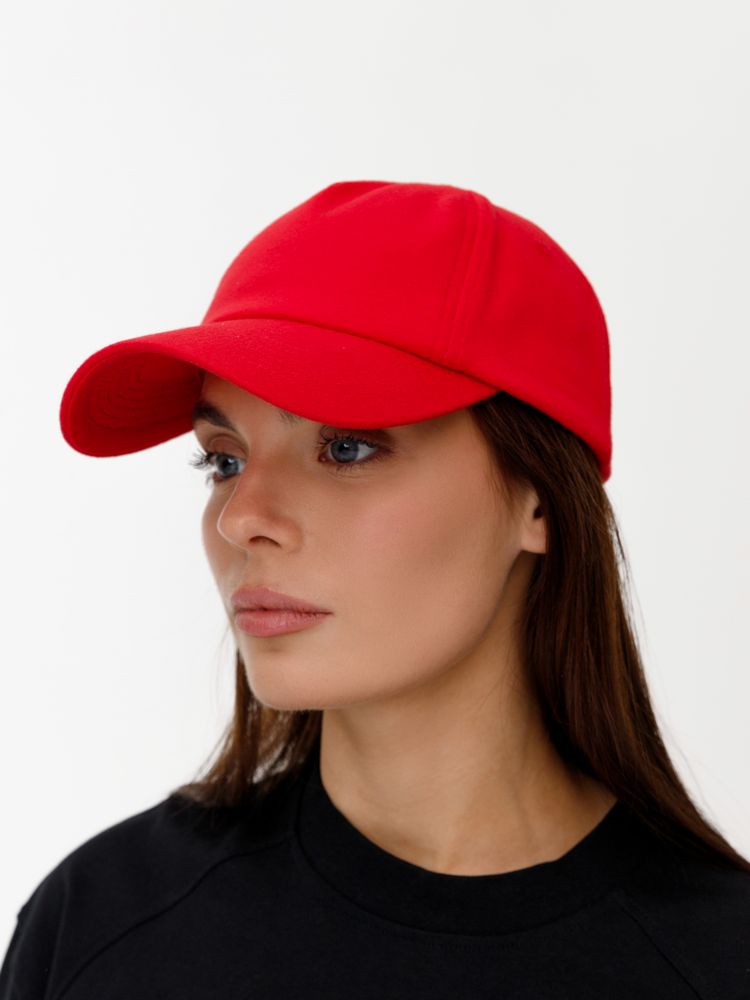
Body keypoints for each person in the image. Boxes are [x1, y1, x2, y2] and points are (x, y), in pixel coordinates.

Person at [1, 180, 748, 998]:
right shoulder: (101, 927)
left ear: (539, 499)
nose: (241, 518)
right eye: (224, 458)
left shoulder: (717, 960)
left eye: (347, 448)